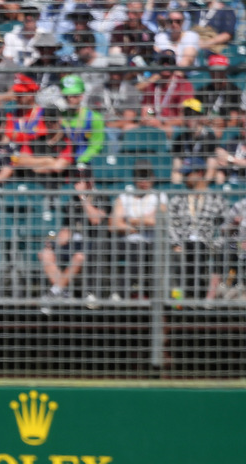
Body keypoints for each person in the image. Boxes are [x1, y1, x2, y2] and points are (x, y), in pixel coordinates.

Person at [40, 165, 106, 308]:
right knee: (45, 254)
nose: (78, 184)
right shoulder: (71, 202)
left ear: (90, 181)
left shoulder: (101, 197)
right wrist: (53, 241)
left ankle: (54, 292)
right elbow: (66, 230)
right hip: (74, 244)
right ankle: (63, 292)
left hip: (94, 245)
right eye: (76, 180)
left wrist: (83, 198)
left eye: (82, 180)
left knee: (79, 257)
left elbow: (96, 220)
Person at [167, 157, 227, 298]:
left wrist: (216, 244)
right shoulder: (178, 199)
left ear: (199, 173)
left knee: (198, 248)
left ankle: (197, 296)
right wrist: (175, 243)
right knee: (184, 252)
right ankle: (182, 299)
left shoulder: (216, 199)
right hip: (183, 243)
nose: (184, 177)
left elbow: (227, 225)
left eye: (188, 174)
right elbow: (169, 223)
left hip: (206, 244)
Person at [109, 163, 162, 299]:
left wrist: (129, 220)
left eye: (147, 177)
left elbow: (156, 221)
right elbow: (113, 224)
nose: (144, 182)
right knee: (99, 247)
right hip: (125, 241)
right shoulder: (124, 197)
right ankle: (92, 294)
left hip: (147, 243)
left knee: (138, 251)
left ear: (153, 178)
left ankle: (118, 294)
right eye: (140, 177)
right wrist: (140, 224)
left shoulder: (159, 197)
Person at [58, 75, 105, 167]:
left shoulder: (94, 117)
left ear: (81, 96)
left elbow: (96, 146)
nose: (70, 99)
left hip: (85, 163)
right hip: (62, 161)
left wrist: (81, 160)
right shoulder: (59, 117)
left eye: (74, 95)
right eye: (66, 96)